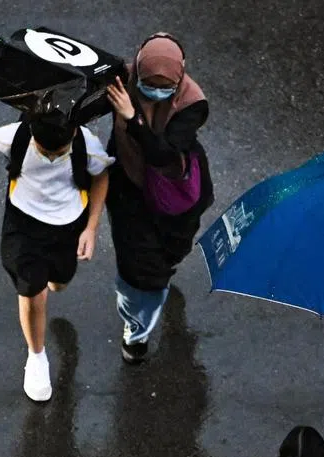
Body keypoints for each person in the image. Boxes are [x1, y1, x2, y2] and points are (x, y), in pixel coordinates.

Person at [0, 113, 113, 401]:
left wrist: (91, 227)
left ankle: (52, 281)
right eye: (42, 150)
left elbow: (101, 176)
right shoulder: (17, 136)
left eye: (57, 153)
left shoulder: (87, 144)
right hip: (23, 226)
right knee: (32, 291)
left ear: (73, 134)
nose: (49, 157)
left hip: (67, 226)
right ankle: (36, 356)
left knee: (59, 281)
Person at [105, 33, 213, 364]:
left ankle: (167, 268)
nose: (155, 91)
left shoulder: (192, 104)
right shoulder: (120, 79)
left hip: (173, 190)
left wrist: (131, 119)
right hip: (129, 189)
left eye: (165, 85)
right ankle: (137, 332)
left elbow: (163, 155)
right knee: (139, 273)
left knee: (172, 250)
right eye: (148, 83)